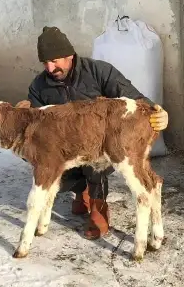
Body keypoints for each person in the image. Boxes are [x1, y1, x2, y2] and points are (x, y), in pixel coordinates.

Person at [15, 26, 169, 240]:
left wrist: (156, 112)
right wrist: (23, 116)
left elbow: (133, 97)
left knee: (98, 159)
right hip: (66, 149)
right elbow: (36, 123)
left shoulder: (98, 71)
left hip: (99, 144)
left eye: (56, 60)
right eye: (45, 63)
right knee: (43, 156)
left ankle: (98, 206)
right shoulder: (39, 85)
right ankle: (81, 191)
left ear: (69, 55)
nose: (51, 68)